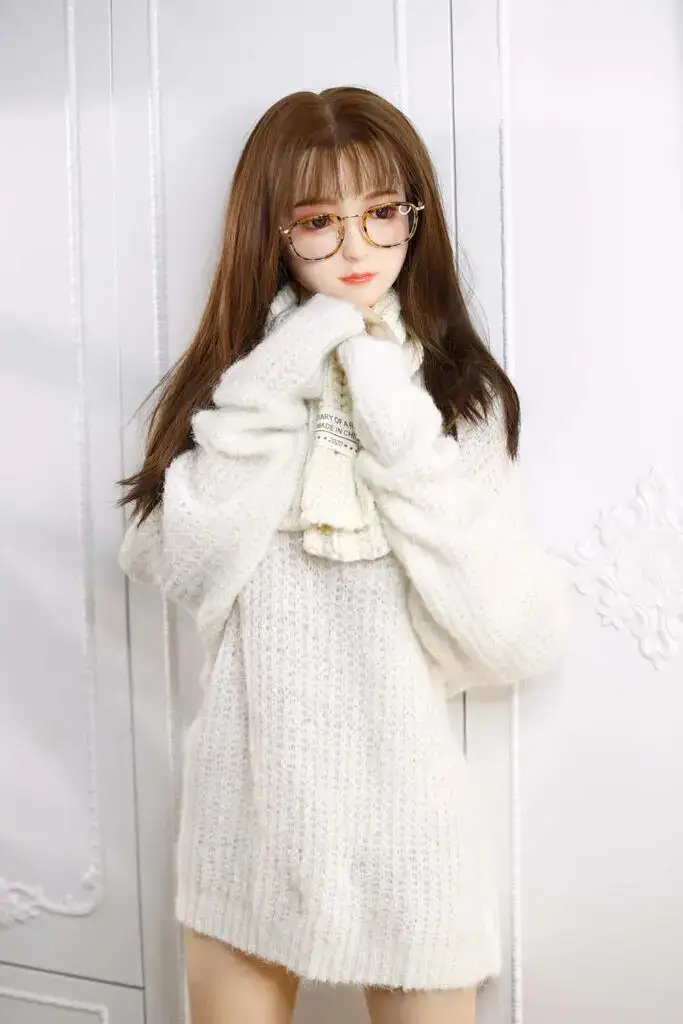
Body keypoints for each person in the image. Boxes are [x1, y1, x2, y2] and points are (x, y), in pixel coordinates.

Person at [117, 86, 569, 1024]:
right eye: (319, 221)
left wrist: (391, 422)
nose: (358, 246)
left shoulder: (459, 398)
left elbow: (512, 639)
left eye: (381, 212)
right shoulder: (230, 390)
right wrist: (283, 370)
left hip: (407, 826)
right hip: (244, 821)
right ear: (273, 234)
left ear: (414, 217)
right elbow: (182, 566)